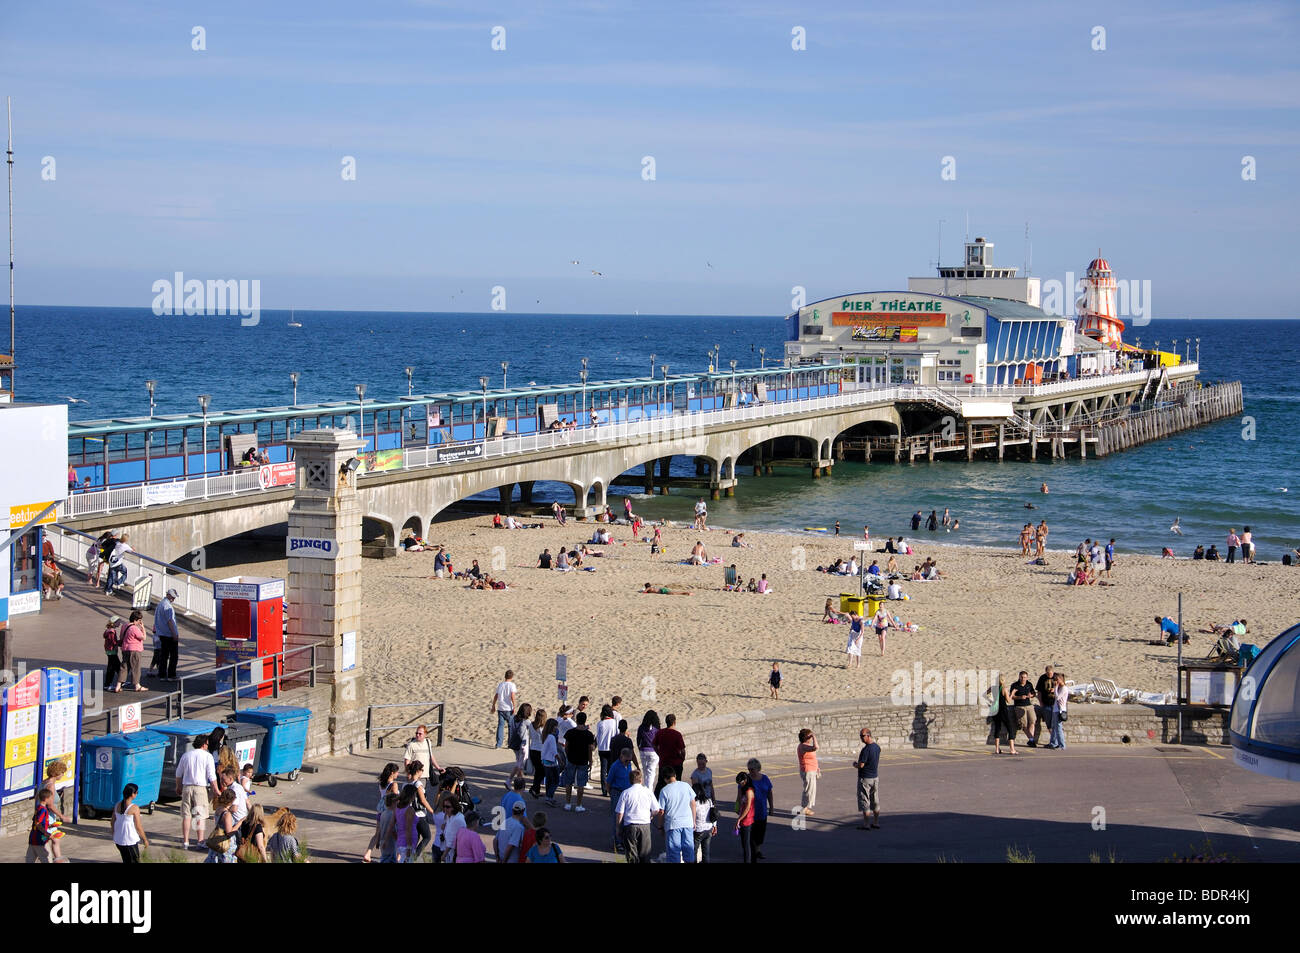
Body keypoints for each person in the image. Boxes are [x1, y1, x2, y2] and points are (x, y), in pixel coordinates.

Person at [176, 733, 219, 849]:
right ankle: (200, 841)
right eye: (207, 744)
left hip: (186, 787)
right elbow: (211, 776)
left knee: (186, 815)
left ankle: (185, 841)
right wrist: (216, 789)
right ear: (204, 744)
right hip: (200, 789)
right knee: (199, 815)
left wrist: (178, 787)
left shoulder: (186, 755)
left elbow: (178, 774)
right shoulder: (207, 756)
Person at [613, 767, 656, 861]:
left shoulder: (625, 793)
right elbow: (656, 809)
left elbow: (620, 813)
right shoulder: (648, 792)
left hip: (630, 825)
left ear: (630, 780)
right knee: (645, 854)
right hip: (644, 825)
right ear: (641, 779)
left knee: (631, 855)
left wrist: (618, 827)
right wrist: (650, 815)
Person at [655, 766, 697, 863]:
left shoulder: (664, 791)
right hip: (687, 822)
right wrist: (693, 821)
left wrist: (660, 826)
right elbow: (693, 804)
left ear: (665, 779)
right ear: (675, 775)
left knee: (674, 853)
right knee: (689, 851)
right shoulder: (686, 785)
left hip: (672, 825)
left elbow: (661, 811)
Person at [362, 762, 401, 862]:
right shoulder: (394, 785)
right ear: (392, 773)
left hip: (380, 813)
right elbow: (396, 798)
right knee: (396, 834)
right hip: (390, 812)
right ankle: (398, 857)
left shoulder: (382, 783)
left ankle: (368, 853)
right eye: (397, 772)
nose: (398, 774)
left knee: (377, 834)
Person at [561, 712, 596, 812]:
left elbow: (566, 746)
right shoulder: (588, 734)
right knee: (581, 784)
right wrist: (590, 760)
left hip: (571, 759)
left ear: (576, 720)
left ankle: (567, 803)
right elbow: (590, 749)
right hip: (583, 760)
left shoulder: (570, 732)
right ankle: (578, 805)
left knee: (569, 782)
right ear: (585, 721)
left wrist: (568, 755)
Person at [112, 783, 149, 862]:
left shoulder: (117, 805)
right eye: (136, 792)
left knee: (126, 860)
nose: (137, 794)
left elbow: (112, 822)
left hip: (118, 840)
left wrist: (114, 834)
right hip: (129, 841)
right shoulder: (134, 808)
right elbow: (138, 827)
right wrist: (145, 839)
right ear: (132, 794)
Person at [854, 727, 881, 830]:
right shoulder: (877, 747)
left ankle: (866, 824)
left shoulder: (866, 750)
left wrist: (855, 764)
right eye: (860, 736)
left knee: (865, 800)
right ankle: (876, 822)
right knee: (875, 800)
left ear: (868, 735)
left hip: (865, 778)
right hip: (875, 777)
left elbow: (861, 765)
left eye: (862, 736)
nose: (861, 738)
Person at [27, 789, 64, 863]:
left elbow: (35, 820)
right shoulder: (43, 810)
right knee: (47, 858)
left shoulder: (38, 807)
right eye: (51, 798)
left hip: (33, 838)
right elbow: (38, 823)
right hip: (40, 839)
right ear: (46, 799)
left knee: (30, 859)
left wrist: (51, 825)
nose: (52, 800)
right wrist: (46, 833)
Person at [652, 713, 686, 795]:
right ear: (674, 722)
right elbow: (683, 750)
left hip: (664, 762)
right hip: (676, 763)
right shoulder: (677, 734)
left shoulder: (660, 733)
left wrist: (659, 753)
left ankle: (656, 801)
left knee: (661, 783)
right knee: (676, 782)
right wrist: (682, 758)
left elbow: (654, 745)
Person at [204, 789, 239, 864]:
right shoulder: (227, 814)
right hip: (225, 843)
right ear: (232, 800)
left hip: (217, 840)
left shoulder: (218, 809)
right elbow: (229, 832)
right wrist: (240, 823)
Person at [986, 675, 1018, 755]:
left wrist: (991, 701)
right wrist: (1012, 693)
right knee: (1010, 729)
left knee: (997, 728)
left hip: (996, 710)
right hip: (1003, 710)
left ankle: (997, 749)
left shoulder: (993, 688)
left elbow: (986, 694)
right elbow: (1009, 701)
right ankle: (1012, 749)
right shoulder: (1004, 689)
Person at [153, 588, 180, 681]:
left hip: (161, 633)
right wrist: (174, 634)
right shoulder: (168, 606)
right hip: (169, 634)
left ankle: (162, 674)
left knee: (164, 655)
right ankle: (171, 675)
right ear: (168, 595)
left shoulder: (160, 604)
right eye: (172, 597)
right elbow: (170, 621)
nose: (173, 599)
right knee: (173, 656)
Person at [118, 610, 148, 692]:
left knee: (124, 667)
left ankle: (118, 685)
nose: (140, 622)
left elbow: (121, 637)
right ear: (135, 620)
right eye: (139, 620)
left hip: (125, 649)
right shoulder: (134, 628)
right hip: (135, 650)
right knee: (136, 668)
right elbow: (143, 637)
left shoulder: (124, 626)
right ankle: (137, 685)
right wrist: (143, 628)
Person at [1009, 671, 1038, 747]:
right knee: (1023, 725)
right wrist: (1020, 697)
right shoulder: (1015, 685)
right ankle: (1031, 739)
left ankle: (1031, 740)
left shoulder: (1029, 684)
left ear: (1027, 677)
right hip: (1019, 706)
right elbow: (1011, 696)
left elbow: (1034, 693)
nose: (1023, 679)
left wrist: (1031, 695)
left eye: (1025, 677)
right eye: (1022, 677)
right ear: (1019, 677)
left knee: (1032, 721)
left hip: (1029, 705)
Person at [691, 782, 717, 863]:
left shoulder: (694, 804)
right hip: (708, 829)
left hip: (698, 830)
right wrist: (715, 826)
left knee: (694, 852)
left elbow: (692, 817)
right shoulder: (709, 801)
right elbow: (713, 814)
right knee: (706, 852)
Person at [508, 703, 533, 784]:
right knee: (520, 765)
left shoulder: (512, 718)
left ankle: (519, 783)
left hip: (514, 743)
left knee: (519, 764)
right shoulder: (526, 721)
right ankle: (510, 780)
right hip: (522, 745)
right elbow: (533, 730)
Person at [734, 771, 756, 863]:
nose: (740, 785)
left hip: (747, 820)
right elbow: (739, 799)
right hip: (743, 819)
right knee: (744, 843)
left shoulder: (749, 791)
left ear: (746, 780)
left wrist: (739, 819)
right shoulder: (742, 789)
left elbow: (747, 807)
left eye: (741, 783)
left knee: (746, 844)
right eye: (739, 784)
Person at [492, 670, 517, 749]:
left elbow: (496, 695)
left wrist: (493, 705)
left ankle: (499, 744)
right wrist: (514, 706)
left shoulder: (501, 684)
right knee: (510, 726)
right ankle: (510, 745)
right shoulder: (512, 685)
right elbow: (512, 696)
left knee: (500, 726)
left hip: (501, 707)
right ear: (512, 677)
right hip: (508, 708)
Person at [797, 729, 820, 815]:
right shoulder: (802, 746)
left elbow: (812, 757)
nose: (811, 738)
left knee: (811, 790)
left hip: (811, 770)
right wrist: (814, 736)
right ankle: (804, 808)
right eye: (809, 737)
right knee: (808, 790)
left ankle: (806, 808)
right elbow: (816, 747)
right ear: (806, 737)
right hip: (808, 771)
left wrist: (817, 767)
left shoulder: (805, 746)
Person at [637, 711, 661, 791]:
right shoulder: (656, 729)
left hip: (643, 751)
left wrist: (640, 748)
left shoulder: (641, 727)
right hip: (653, 752)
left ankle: (647, 788)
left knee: (645, 772)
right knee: (651, 772)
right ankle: (649, 790)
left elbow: (638, 740)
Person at [1047, 672, 1068, 749]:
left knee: (1059, 728)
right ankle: (1053, 743)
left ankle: (1062, 745)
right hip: (1055, 709)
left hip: (1060, 710)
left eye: (1057, 679)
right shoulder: (1060, 688)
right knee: (1054, 727)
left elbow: (1057, 697)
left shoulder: (1064, 688)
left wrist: (1055, 688)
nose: (1055, 681)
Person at [103, 615, 123, 694]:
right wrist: (121, 642)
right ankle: (107, 684)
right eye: (119, 622)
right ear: (114, 623)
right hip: (112, 651)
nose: (120, 623)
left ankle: (121, 681)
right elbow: (113, 642)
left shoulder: (109, 630)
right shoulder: (111, 631)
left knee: (116, 666)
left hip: (109, 651)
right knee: (113, 667)